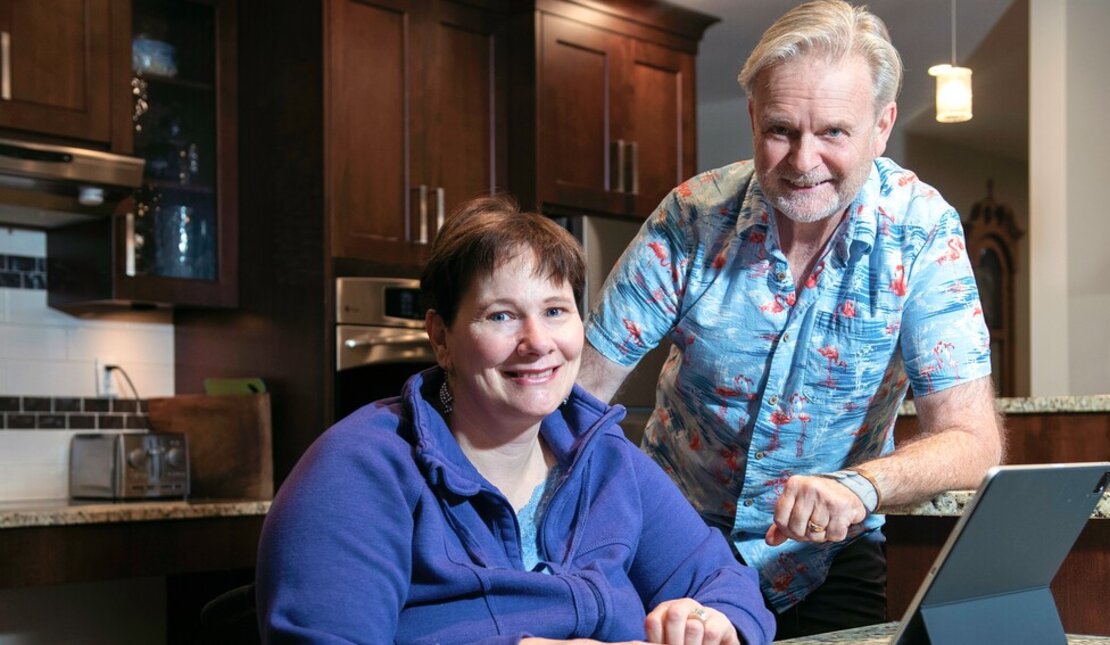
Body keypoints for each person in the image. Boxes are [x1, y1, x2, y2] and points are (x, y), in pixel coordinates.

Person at [577, 0, 1004, 639]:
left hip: (827, 561)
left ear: (882, 126)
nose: (804, 162)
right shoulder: (692, 218)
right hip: (674, 551)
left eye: (834, 132)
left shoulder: (920, 233)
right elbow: (577, 394)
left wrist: (862, 486)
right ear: (752, 118)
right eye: (781, 130)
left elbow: (974, 441)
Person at [255, 195, 775, 644]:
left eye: (555, 310)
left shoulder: (606, 459)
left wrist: (713, 622)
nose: (538, 343)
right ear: (441, 338)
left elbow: (728, 585)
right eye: (501, 315)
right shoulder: (357, 472)